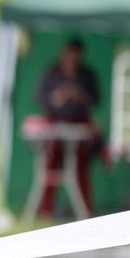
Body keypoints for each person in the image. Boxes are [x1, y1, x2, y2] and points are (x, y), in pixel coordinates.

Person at [36, 38, 99, 217]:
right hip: (55, 122)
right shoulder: (52, 73)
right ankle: (46, 211)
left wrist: (80, 96)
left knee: (80, 165)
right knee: (50, 164)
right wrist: (58, 97)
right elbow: (41, 98)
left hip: (79, 123)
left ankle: (85, 211)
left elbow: (95, 99)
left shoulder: (86, 75)